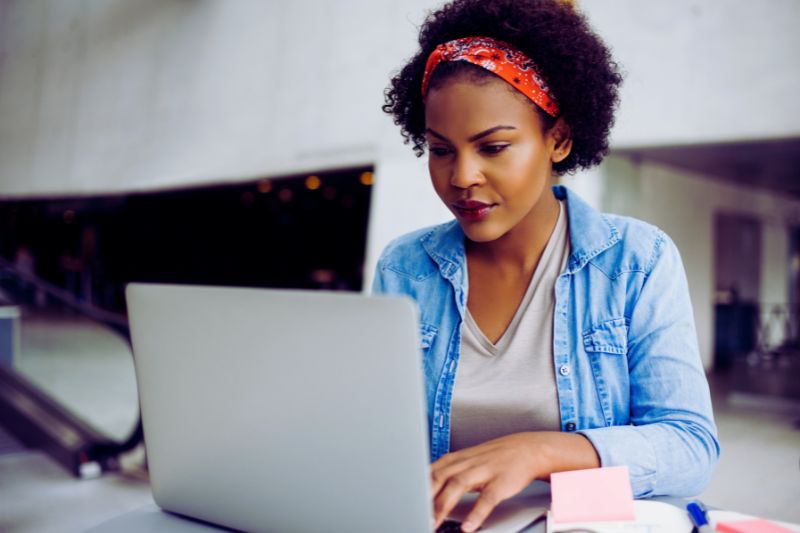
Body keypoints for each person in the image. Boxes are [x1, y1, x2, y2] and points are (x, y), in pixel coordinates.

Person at [373, 0, 720, 531]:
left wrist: (542, 452)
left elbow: (690, 447)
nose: (462, 176)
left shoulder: (636, 261)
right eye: (440, 150)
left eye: (493, 147)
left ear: (557, 140)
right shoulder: (406, 267)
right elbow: (376, 437)